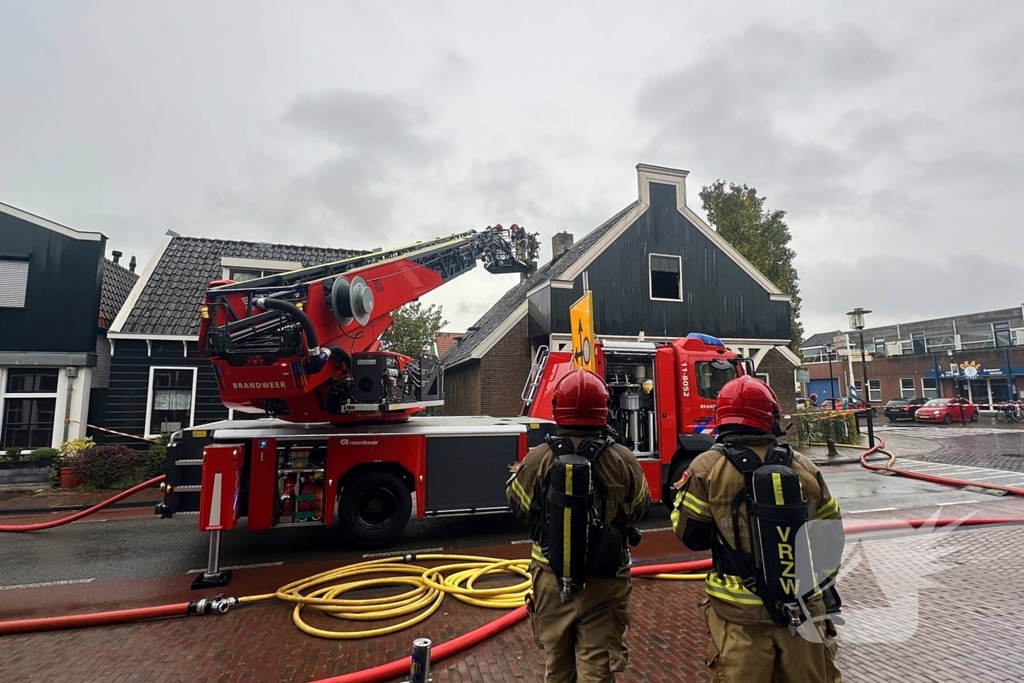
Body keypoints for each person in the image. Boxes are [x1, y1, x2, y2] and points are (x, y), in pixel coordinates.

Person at [672, 375, 844, 683]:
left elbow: (691, 536)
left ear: (722, 416)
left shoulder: (705, 468)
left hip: (739, 620)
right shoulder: (804, 467)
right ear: (771, 417)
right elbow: (831, 536)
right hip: (803, 614)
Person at [507, 368, 651, 682]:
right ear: (604, 409)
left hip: (549, 578)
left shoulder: (537, 458)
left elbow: (520, 509)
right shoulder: (624, 459)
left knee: (556, 666)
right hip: (605, 580)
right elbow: (639, 508)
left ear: (558, 407)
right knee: (596, 670)